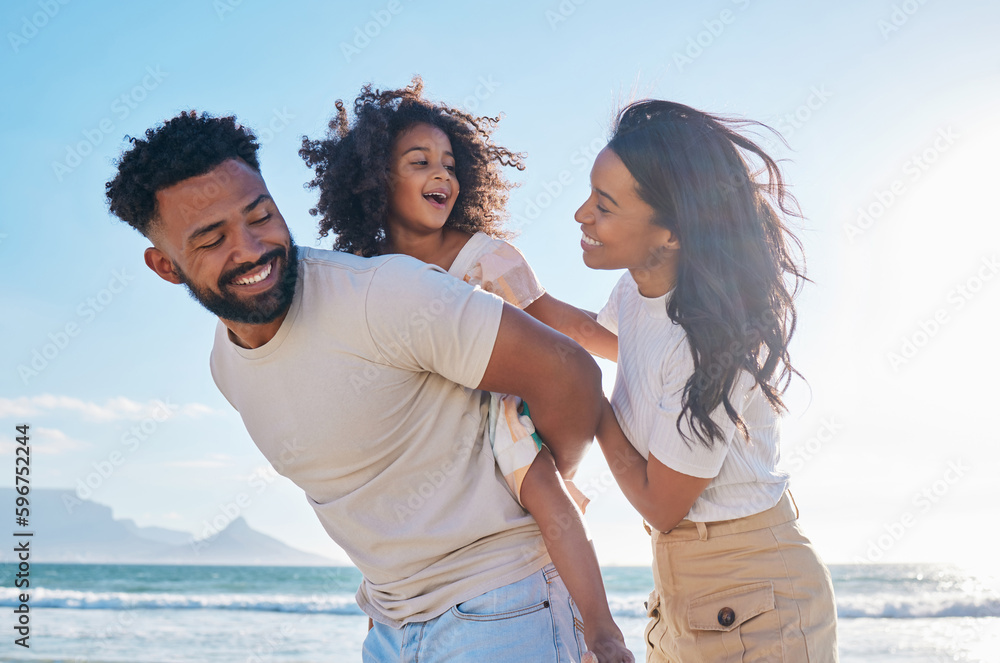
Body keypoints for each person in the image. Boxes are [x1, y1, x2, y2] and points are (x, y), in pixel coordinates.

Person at [106, 110, 606, 662]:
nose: (249, 249)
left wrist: (534, 475)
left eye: (261, 216)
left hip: (501, 608)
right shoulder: (226, 365)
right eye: (211, 239)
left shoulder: (385, 295)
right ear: (165, 266)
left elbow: (571, 372)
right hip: (389, 626)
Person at [299, 78, 630, 663]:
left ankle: (603, 634)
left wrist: (638, 352)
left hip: (494, 417)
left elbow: (560, 325)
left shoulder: (483, 257)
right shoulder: (364, 277)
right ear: (377, 179)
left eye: (450, 164)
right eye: (420, 161)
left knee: (549, 501)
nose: (441, 175)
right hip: (423, 443)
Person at [577, 100, 839, 662]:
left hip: (755, 601)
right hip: (683, 589)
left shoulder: (711, 346)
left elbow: (661, 505)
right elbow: (614, 345)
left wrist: (586, 403)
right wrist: (509, 291)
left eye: (603, 206)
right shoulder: (638, 289)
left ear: (669, 233)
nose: (581, 215)